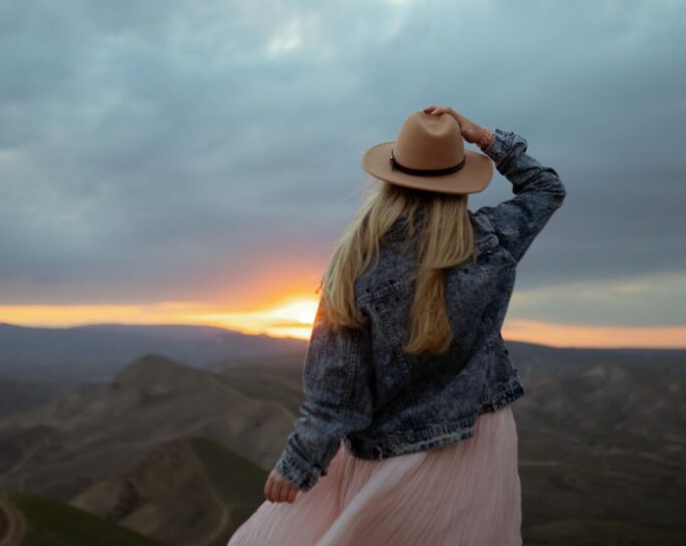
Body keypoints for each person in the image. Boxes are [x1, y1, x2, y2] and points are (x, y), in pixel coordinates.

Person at [228, 106, 566, 546]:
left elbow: (337, 394)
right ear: (459, 182)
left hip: (389, 449)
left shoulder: (357, 265)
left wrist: (296, 465)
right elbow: (546, 188)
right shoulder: (492, 240)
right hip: (483, 438)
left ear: (390, 179)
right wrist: (482, 136)